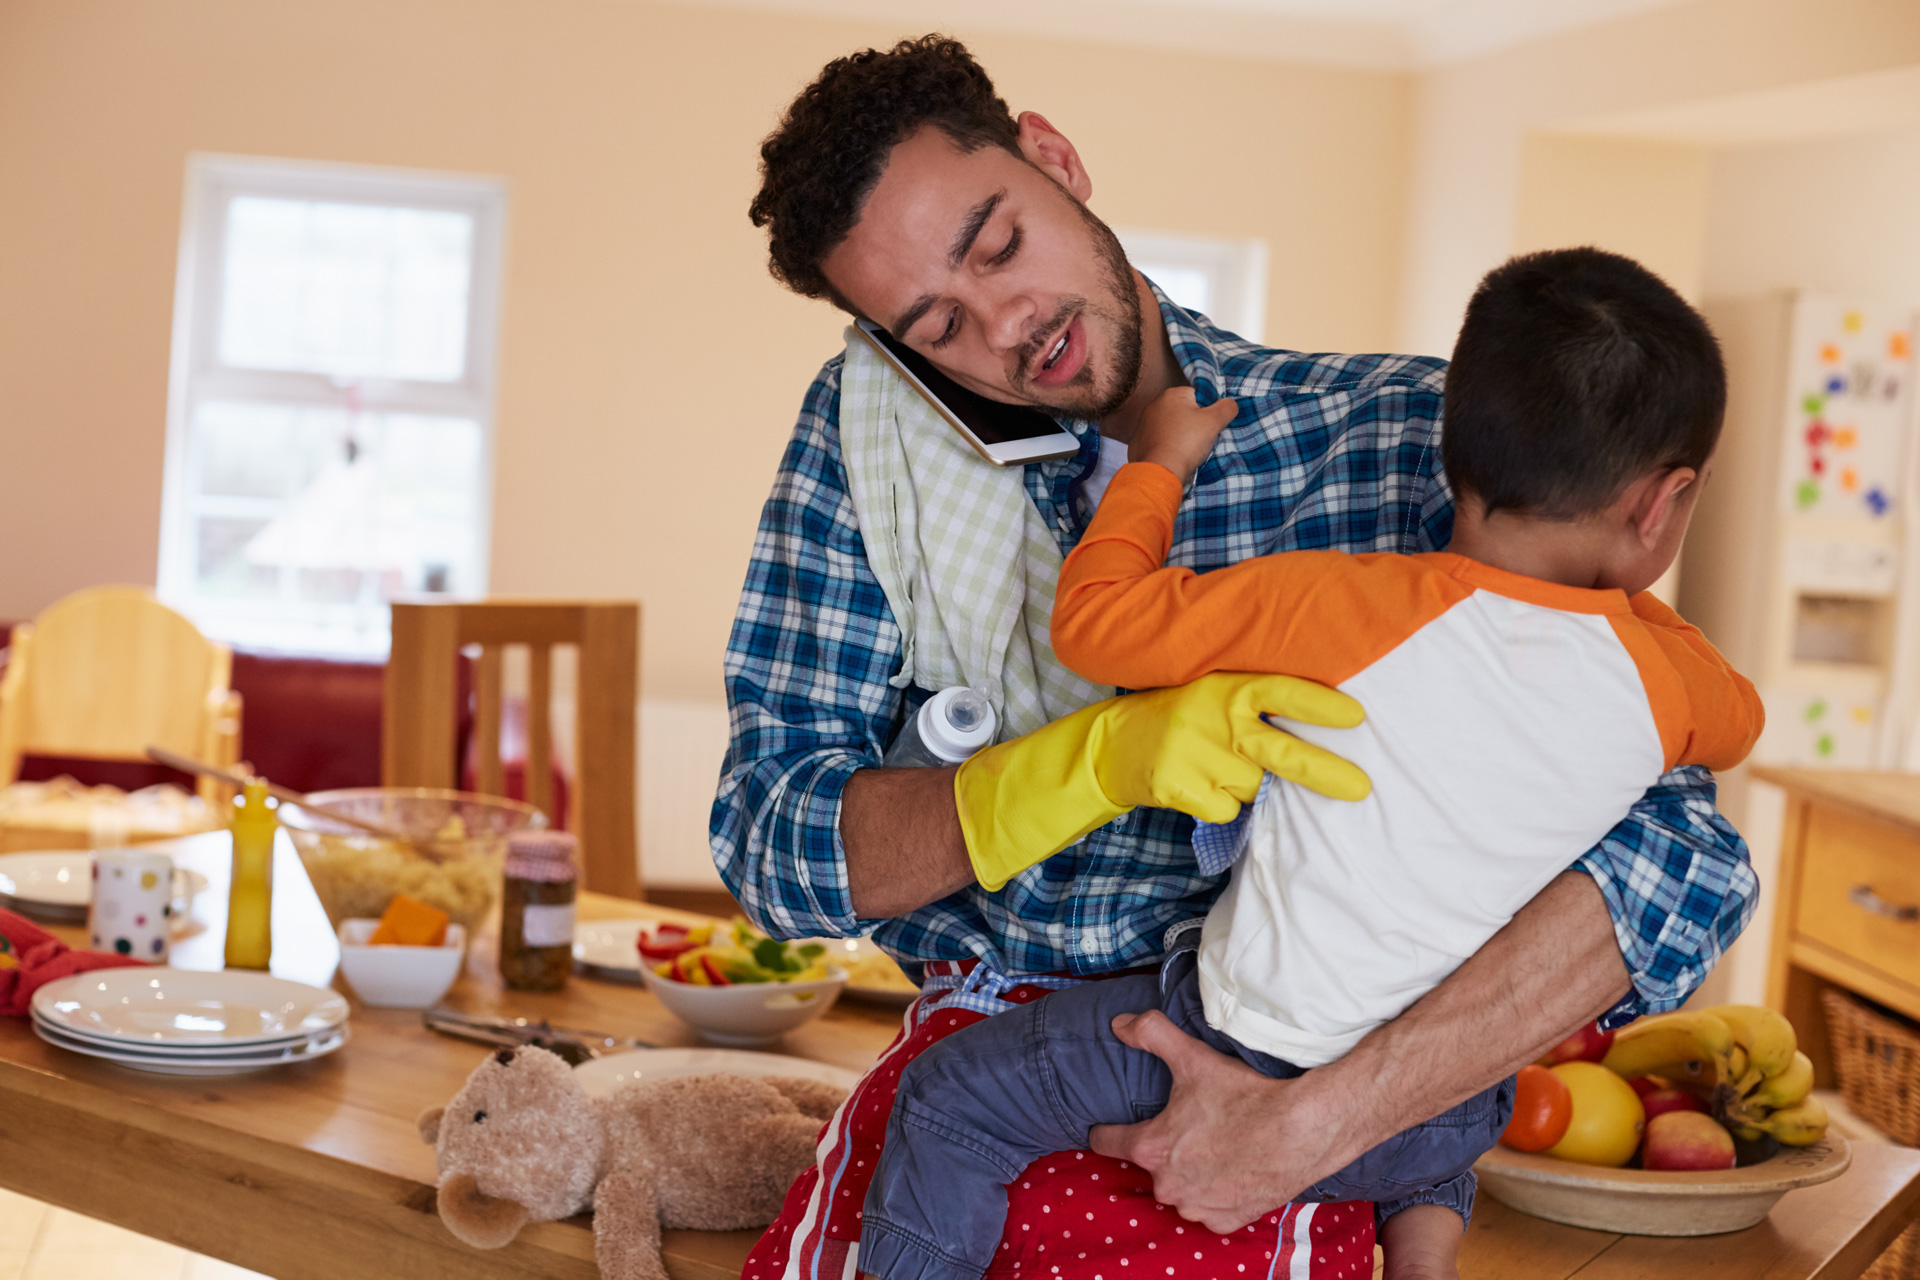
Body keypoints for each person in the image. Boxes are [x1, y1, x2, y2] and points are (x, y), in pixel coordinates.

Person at [715, 35, 1757, 1280]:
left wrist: (1313, 1121)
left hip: (1308, 1098)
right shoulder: (876, 455)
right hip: (995, 1072)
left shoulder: (1398, 443)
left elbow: (1679, 859)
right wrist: (1084, 766)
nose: (1006, 324)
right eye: (937, 323)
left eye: (999, 244)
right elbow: (770, 842)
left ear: (1055, 156)